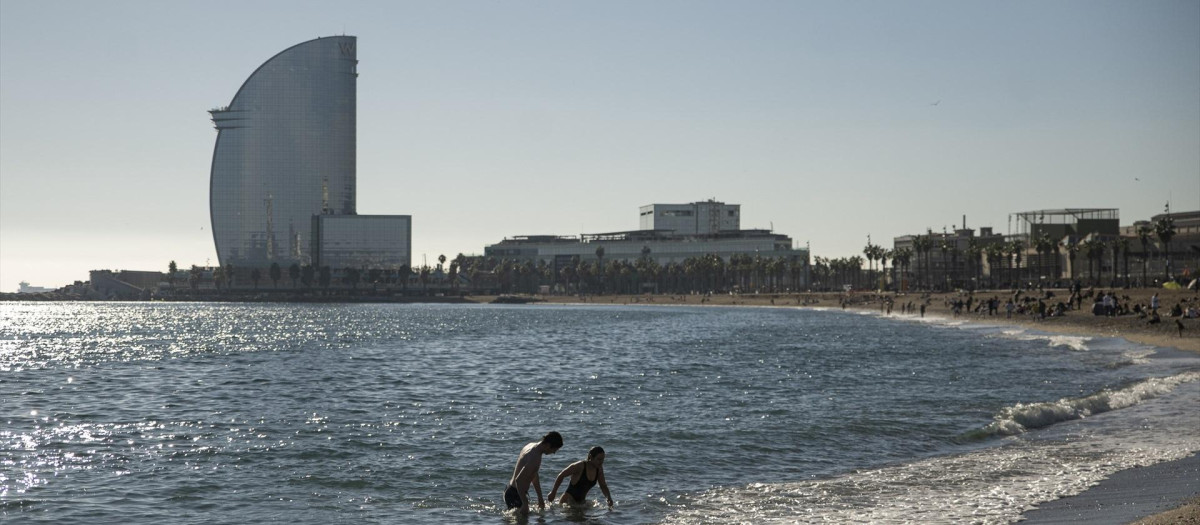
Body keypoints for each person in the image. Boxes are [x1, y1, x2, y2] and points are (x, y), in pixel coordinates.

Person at [504, 431, 563, 513]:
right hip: (515, 494)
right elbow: (519, 480)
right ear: (548, 445)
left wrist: (540, 498)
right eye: (554, 450)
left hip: (512, 490)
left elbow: (533, 474)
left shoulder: (531, 446)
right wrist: (525, 503)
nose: (554, 453)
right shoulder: (534, 457)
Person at [548, 446, 613, 508]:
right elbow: (561, 475)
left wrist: (609, 498)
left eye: (603, 459)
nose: (601, 462)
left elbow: (603, 485)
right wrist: (553, 493)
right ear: (591, 457)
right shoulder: (579, 466)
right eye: (599, 459)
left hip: (581, 503)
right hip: (567, 501)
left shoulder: (599, 469)